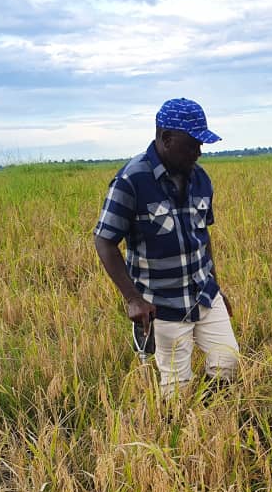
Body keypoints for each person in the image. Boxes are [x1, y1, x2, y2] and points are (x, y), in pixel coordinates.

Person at [93, 97, 240, 395]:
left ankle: (212, 422)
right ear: (166, 138)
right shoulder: (131, 180)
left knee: (228, 362)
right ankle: (178, 432)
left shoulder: (200, 179)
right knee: (177, 387)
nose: (198, 153)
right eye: (192, 145)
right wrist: (133, 298)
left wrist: (217, 286)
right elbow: (104, 240)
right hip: (161, 303)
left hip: (204, 293)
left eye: (201, 146)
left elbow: (203, 237)